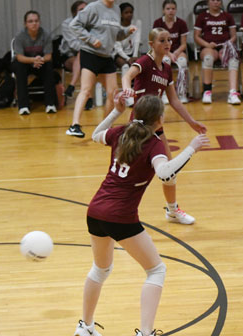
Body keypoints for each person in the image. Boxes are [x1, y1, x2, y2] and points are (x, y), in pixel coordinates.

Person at [73, 93, 209, 336]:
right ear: (159, 119)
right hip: (120, 216)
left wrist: (116, 111)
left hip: (95, 211)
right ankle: (145, 333)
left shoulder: (122, 132)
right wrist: (191, 148)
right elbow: (165, 173)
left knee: (100, 269)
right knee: (156, 270)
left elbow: (95, 135)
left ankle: (85, 326)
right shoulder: (153, 143)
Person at [122, 28, 206, 225]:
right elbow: (127, 76)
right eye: (162, 40)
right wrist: (127, 88)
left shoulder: (166, 69)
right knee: (128, 173)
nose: (167, 43)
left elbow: (174, 100)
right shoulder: (145, 62)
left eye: (169, 39)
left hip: (156, 126)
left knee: (169, 171)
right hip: (138, 127)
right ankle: (121, 209)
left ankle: (172, 211)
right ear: (151, 44)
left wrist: (191, 122)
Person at [66, 0, 136, 138]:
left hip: (106, 56)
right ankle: (74, 125)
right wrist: (91, 39)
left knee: (113, 93)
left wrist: (127, 31)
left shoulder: (116, 10)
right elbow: (74, 25)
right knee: (86, 90)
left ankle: (105, 127)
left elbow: (116, 35)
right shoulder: (93, 7)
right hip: (90, 54)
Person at [193, 0, 240, 105]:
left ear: (221, 2)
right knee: (208, 58)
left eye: (218, 0)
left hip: (224, 47)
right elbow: (196, 36)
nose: (215, 2)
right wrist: (207, 44)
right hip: (209, 47)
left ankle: (233, 93)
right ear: (208, 2)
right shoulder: (202, 16)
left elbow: (234, 36)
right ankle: (207, 91)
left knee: (233, 59)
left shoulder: (227, 16)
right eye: (213, 0)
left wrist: (228, 44)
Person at [11, 10, 57, 115]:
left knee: (49, 67)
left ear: (39, 22)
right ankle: (23, 106)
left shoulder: (46, 34)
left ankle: (50, 104)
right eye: (30, 21)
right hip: (25, 62)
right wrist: (33, 60)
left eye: (36, 21)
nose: (34, 23)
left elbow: (48, 56)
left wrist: (39, 60)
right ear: (25, 24)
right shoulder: (20, 36)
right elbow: (19, 57)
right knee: (19, 68)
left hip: (40, 62)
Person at [152, 0, 189, 104]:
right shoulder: (158, 23)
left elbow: (184, 44)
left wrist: (175, 53)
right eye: (168, 9)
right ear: (163, 10)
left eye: (173, 9)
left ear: (176, 10)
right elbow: (157, 44)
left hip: (177, 50)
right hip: (162, 51)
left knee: (182, 62)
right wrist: (168, 53)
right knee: (165, 62)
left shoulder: (181, 23)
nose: (170, 11)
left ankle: (182, 92)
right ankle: (164, 93)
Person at [59, 0, 90, 106]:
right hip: (69, 55)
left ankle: (72, 85)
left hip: (88, 54)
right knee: (85, 64)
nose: (84, 12)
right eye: (81, 10)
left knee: (85, 62)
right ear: (74, 13)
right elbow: (74, 45)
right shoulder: (67, 24)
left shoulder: (92, 23)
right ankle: (88, 98)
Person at [113, 2, 141, 79]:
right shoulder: (116, 26)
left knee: (138, 65)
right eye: (126, 12)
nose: (129, 14)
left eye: (131, 12)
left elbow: (137, 40)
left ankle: (136, 85)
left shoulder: (137, 23)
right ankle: (125, 85)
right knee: (125, 66)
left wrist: (135, 56)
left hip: (133, 53)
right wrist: (128, 59)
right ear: (121, 14)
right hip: (119, 54)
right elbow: (118, 48)